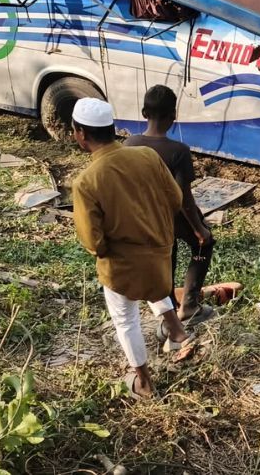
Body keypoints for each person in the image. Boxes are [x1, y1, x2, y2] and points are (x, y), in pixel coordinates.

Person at [70, 98, 193, 398]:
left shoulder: (87, 181)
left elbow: (93, 243)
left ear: (81, 135)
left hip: (122, 268)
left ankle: (144, 383)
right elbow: (175, 199)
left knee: (125, 320)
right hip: (160, 255)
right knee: (151, 286)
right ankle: (176, 330)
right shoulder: (147, 156)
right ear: (112, 129)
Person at [123, 85, 216, 324]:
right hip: (171, 217)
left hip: (143, 218)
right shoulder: (178, 151)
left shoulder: (129, 145)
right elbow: (183, 196)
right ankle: (190, 304)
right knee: (203, 245)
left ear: (144, 112)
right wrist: (198, 228)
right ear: (173, 116)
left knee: (167, 256)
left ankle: (170, 311)